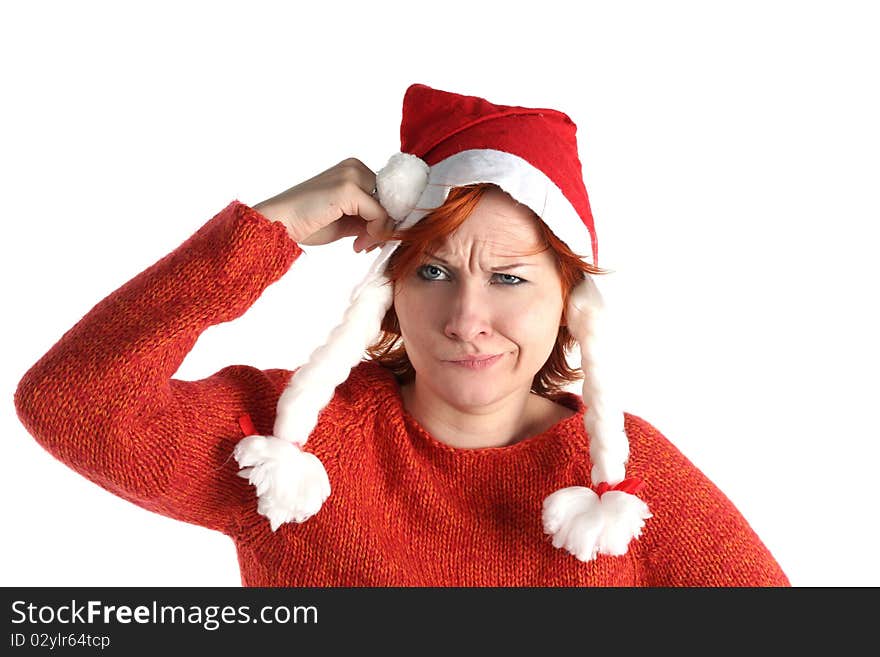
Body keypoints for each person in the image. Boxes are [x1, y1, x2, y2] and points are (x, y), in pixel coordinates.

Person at [13, 83, 790, 586]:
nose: (466, 319)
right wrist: (267, 231)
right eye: (432, 272)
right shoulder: (292, 444)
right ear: (385, 290)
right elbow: (71, 400)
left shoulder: (624, 477)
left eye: (510, 277)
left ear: (570, 301)